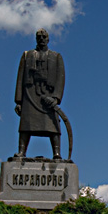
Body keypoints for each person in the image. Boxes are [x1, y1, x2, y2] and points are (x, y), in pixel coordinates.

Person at [14, 28, 65, 159]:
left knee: (53, 125)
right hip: (30, 93)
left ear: (48, 39)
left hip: (48, 95)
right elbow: (20, 77)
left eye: (44, 37)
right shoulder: (27, 55)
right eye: (39, 37)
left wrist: (56, 97)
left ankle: (57, 153)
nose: (42, 39)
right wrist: (19, 101)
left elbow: (60, 78)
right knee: (26, 124)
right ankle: (21, 152)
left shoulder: (56, 56)